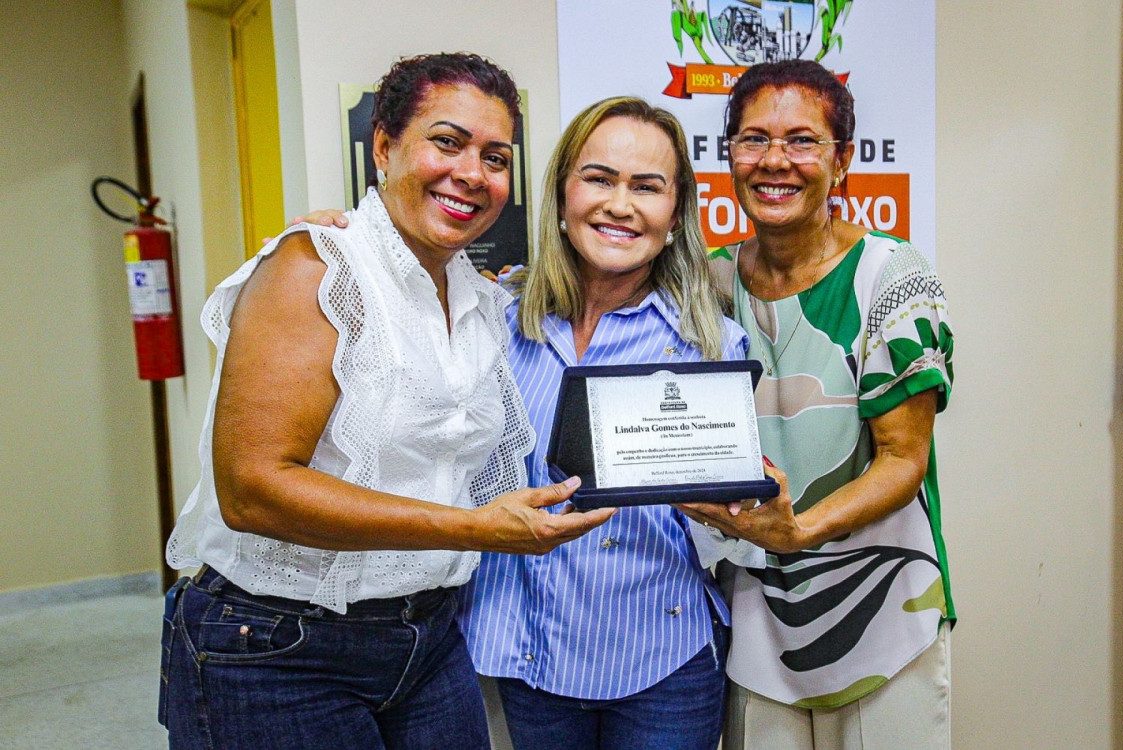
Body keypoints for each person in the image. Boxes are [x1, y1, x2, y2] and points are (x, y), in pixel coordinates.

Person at [158, 53, 614, 750]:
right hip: (281, 649)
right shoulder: (314, 269)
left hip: (427, 639)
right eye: (447, 141)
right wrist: (476, 530)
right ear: (383, 145)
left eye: (496, 157)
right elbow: (252, 491)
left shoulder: (477, 297)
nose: (472, 173)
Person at [460, 96, 780, 750]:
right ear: (560, 195)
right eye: (599, 179)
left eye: (647, 186)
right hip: (526, 654)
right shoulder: (488, 322)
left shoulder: (712, 348)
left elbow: (736, 529)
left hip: (662, 660)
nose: (620, 204)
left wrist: (744, 507)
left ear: (676, 212)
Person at [678, 59, 955, 750]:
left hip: (882, 611)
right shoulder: (709, 283)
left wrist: (797, 531)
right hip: (760, 619)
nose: (776, 161)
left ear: (841, 162)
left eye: (802, 140)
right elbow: (593, 275)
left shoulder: (890, 278)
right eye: (753, 140)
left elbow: (902, 459)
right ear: (730, 157)